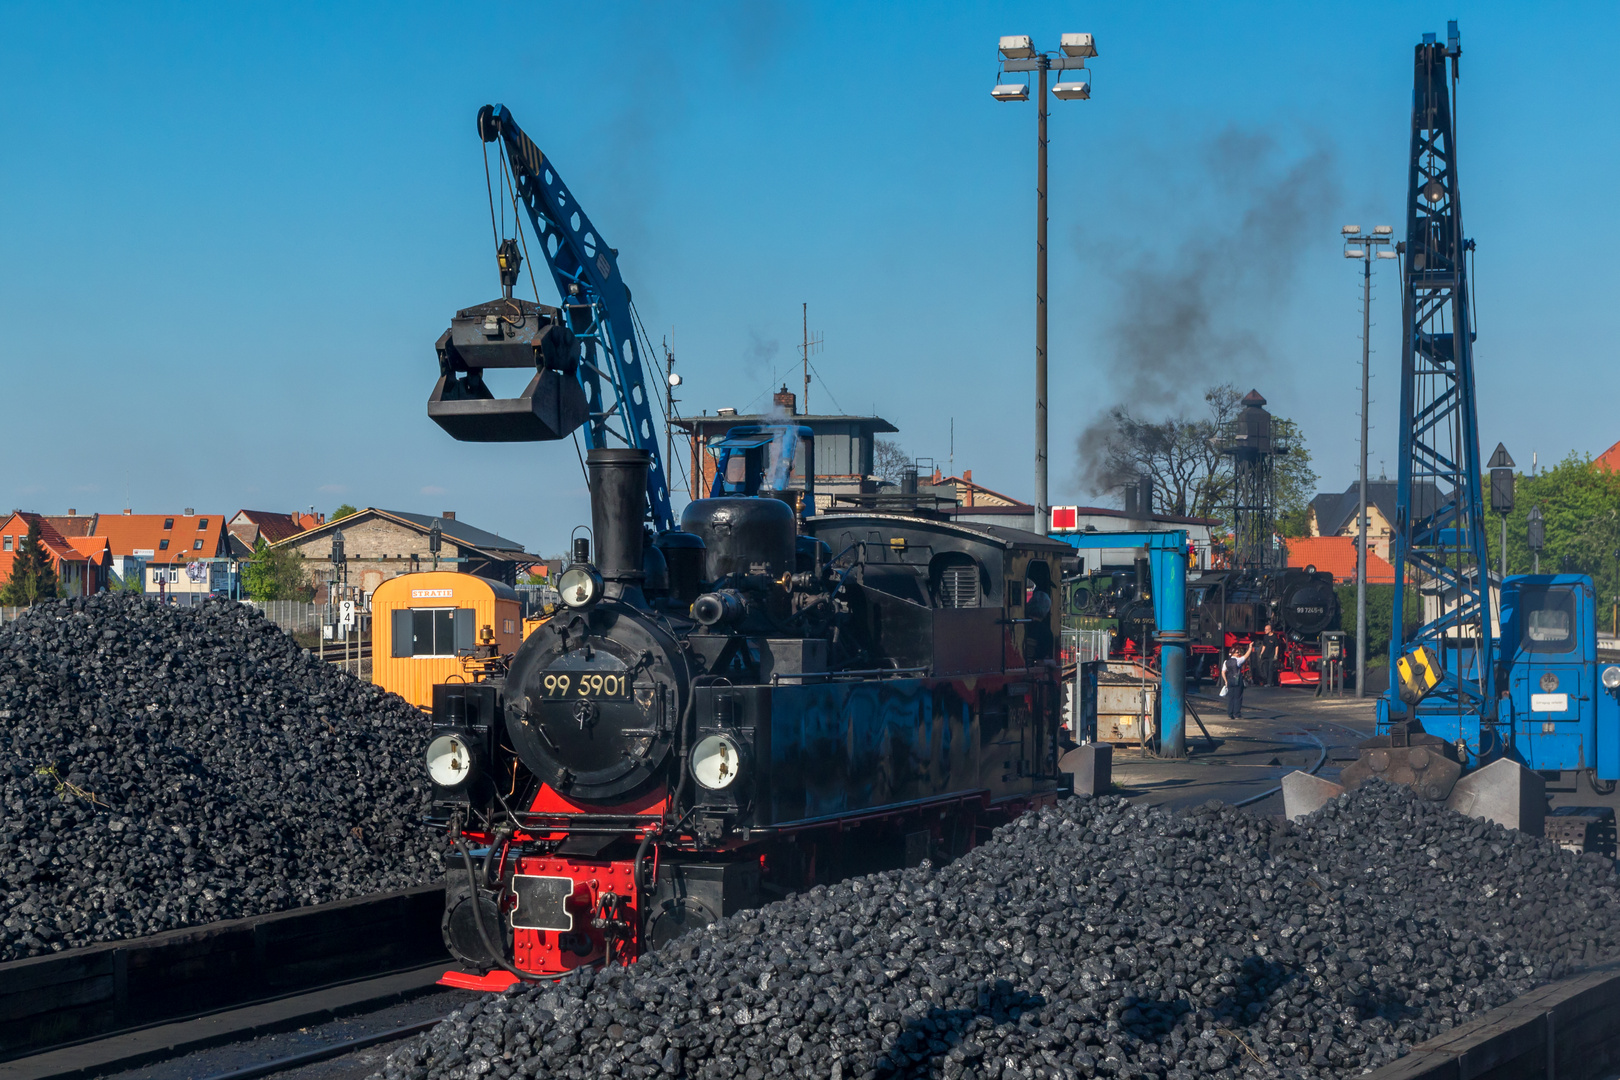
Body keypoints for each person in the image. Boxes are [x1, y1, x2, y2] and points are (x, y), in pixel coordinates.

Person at [1221, 643, 1252, 719]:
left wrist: (1226, 681)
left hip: (1230, 680)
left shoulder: (1226, 662)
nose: (1239, 654)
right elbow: (1246, 655)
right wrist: (1250, 647)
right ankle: (1237, 714)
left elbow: (1223, 672)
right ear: (1234, 653)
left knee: (1231, 697)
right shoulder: (1238, 660)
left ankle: (1230, 713)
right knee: (1238, 697)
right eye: (1237, 652)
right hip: (1237, 680)